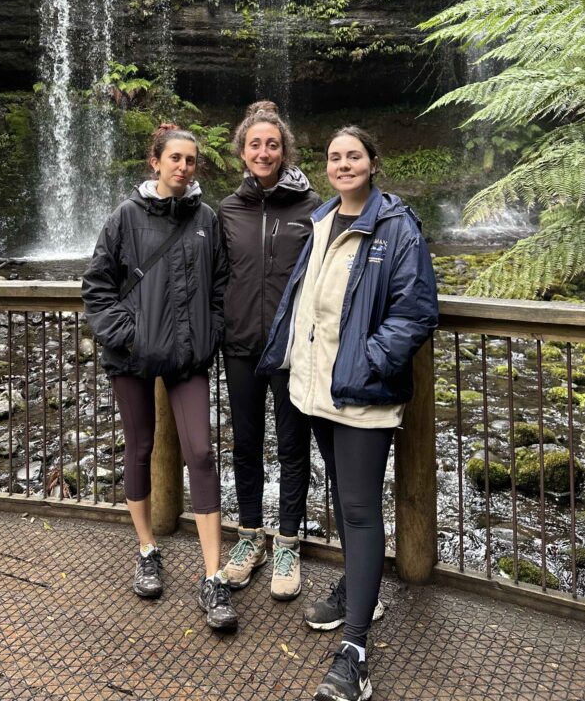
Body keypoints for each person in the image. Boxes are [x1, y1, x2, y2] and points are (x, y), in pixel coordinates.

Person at [258, 126, 438, 701]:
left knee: (358, 510)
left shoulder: (395, 227)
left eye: (353, 155)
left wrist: (368, 362)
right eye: (334, 157)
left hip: (360, 394)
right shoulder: (321, 219)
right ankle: (362, 589)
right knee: (343, 498)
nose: (343, 164)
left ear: (373, 161)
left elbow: (415, 311)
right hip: (314, 390)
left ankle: (356, 650)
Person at [81, 123, 237, 632]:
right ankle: (147, 548)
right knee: (139, 447)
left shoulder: (206, 219)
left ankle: (213, 576)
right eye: (175, 157)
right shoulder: (125, 218)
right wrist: (128, 334)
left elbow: (219, 285)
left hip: (189, 356)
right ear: (156, 161)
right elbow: (97, 286)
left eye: (191, 160)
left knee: (202, 451)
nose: (183, 167)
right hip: (132, 354)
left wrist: (209, 333)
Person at [219, 101, 320, 600]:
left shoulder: (310, 209)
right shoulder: (228, 210)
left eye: (272, 144)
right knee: (245, 445)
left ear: (285, 152)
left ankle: (288, 541)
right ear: (242, 151)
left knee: (292, 446)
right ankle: (249, 536)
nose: (263, 152)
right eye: (255, 144)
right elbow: (215, 278)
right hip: (239, 346)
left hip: (289, 349)